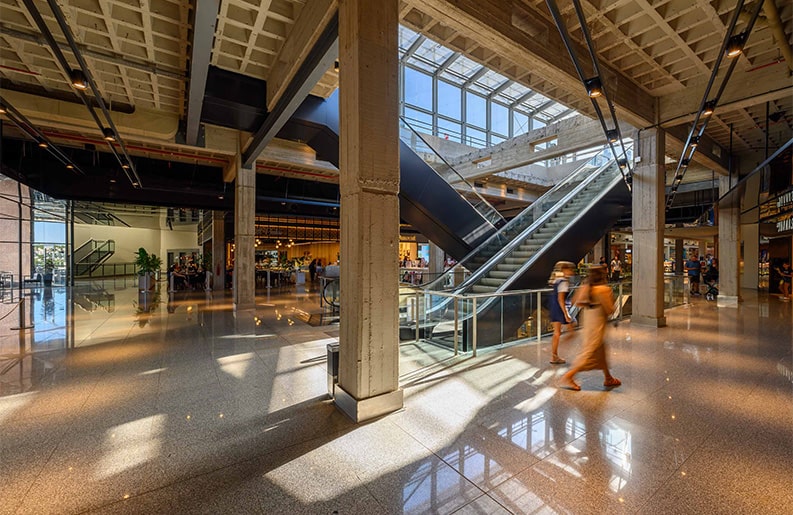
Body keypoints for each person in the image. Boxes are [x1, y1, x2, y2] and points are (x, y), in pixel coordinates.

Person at [559, 265, 621, 391]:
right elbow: (610, 309)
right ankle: (568, 376)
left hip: (588, 321)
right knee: (590, 352)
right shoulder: (604, 290)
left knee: (600, 350)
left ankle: (608, 378)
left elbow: (574, 302)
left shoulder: (586, 287)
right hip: (598, 323)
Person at [548, 261, 576, 365]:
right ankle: (553, 352)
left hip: (554, 307)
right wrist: (566, 313)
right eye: (570, 269)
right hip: (560, 308)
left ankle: (554, 355)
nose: (572, 272)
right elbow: (561, 299)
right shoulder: (564, 282)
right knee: (571, 332)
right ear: (564, 270)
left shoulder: (556, 280)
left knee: (557, 332)